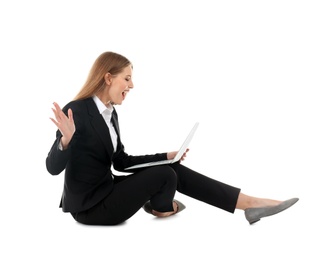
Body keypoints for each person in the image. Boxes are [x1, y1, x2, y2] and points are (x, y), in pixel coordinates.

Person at [45, 51, 298, 226]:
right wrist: (65, 141)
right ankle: (161, 206)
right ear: (108, 77)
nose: (132, 86)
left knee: (171, 167)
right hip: (90, 208)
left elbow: (121, 162)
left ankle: (249, 204)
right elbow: (52, 168)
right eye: (127, 78)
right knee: (165, 176)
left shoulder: (111, 114)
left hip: (108, 190)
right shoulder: (76, 111)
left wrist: (166, 156)